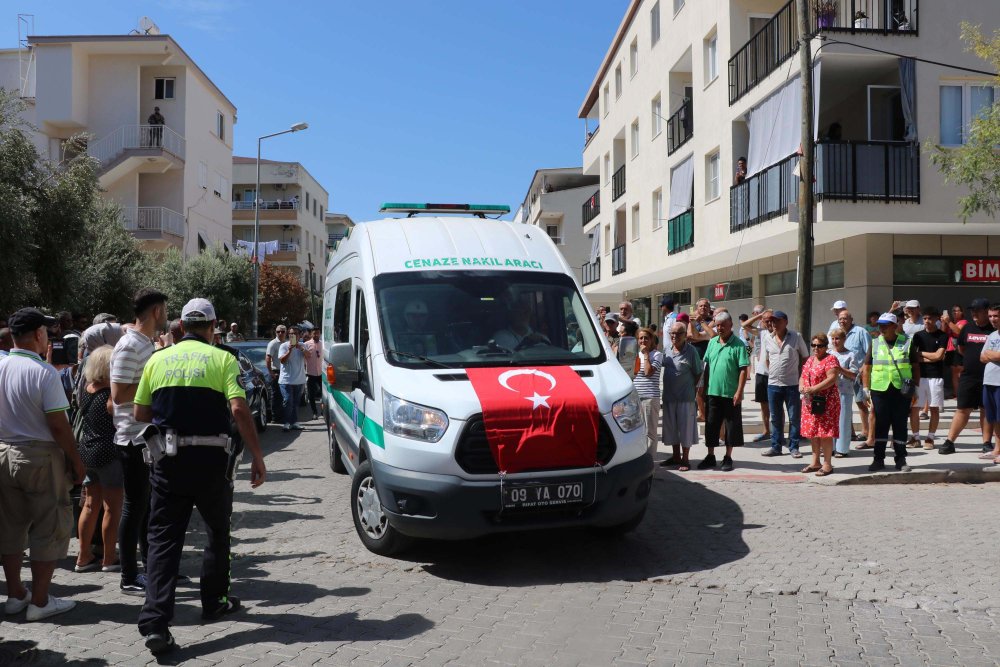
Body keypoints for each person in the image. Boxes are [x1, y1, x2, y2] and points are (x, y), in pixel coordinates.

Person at [134, 298, 266, 655]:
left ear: (181, 326)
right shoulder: (224, 359)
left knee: (163, 540)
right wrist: (257, 455)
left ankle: (156, 623)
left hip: (168, 463)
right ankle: (215, 601)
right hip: (212, 465)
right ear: (212, 327)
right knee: (217, 532)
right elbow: (239, 408)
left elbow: (140, 411)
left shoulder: (157, 359)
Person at [0, 308, 86, 621]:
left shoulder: (0, 365)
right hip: (39, 456)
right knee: (48, 527)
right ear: (37, 335)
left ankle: (14, 594)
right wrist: (76, 461)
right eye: (46, 332)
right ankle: (39, 600)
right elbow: (59, 426)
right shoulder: (43, 373)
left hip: (5, 452)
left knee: (10, 527)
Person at [111, 288, 168, 596]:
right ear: (157, 311)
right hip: (133, 440)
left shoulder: (145, 343)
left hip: (147, 437)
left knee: (147, 508)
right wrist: (154, 386)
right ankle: (129, 577)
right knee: (134, 508)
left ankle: (152, 569)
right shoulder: (129, 345)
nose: (168, 316)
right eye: (166, 310)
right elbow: (118, 395)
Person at [73, 345, 124, 574]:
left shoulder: (87, 388)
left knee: (90, 504)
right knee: (112, 507)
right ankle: (109, 557)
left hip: (87, 450)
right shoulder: (110, 392)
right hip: (108, 452)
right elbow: (116, 412)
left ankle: (83, 556)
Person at [862, 313, 921, 472]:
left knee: (900, 424)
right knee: (881, 424)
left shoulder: (907, 343)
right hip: (880, 389)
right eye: (880, 324)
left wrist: (916, 389)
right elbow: (866, 367)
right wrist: (866, 389)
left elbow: (915, 367)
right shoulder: (875, 343)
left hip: (901, 391)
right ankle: (878, 459)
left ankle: (901, 459)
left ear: (895, 327)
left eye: (886, 325)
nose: (882, 327)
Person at [939, 298, 995, 455]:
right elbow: (962, 348)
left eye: (977, 310)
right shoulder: (967, 328)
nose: (974, 313)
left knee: (986, 410)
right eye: (972, 310)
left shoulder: (994, 330)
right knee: (962, 409)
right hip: (969, 376)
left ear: (986, 312)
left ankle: (986, 443)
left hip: (990, 377)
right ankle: (949, 442)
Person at [698, 312, 748, 472]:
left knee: (731, 426)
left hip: (730, 394)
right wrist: (704, 388)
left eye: (723, 325)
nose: (720, 328)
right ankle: (710, 456)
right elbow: (707, 366)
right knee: (711, 425)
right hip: (713, 392)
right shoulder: (712, 342)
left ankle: (728, 457)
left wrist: (739, 392)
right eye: (717, 325)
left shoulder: (739, 345)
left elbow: (743, 370)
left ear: (730, 325)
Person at [761, 311, 810, 458]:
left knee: (794, 417)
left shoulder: (796, 336)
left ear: (786, 322)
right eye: (772, 321)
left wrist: (801, 376)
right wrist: (774, 373)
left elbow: (806, 357)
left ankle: (794, 447)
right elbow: (766, 359)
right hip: (773, 385)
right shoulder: (767, 338)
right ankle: (776, 446)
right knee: (775, 418)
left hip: (792, 385)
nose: (774, 324)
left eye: (777, 321)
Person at [660, 322, 703, 471]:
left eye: (678, 333)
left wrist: (690, 387)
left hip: (686, 398)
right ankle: (675, 456)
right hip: (669, 397)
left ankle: (685, 459)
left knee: (685, 429)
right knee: (671, 429)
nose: (674, 336)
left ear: (685, 335)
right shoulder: (666, 349)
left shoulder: (691, 351)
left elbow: (698, 373)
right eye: (672, 333)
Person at [799, 333, 841, 476]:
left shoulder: (831, 359)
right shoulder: (810, 360)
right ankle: (815, 462)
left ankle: (827, 464)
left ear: (825, 346)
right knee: (813, 432)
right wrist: (802, 387)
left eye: (820, 346)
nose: (816, 348)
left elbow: (832, 378)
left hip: (827, 401)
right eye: (814, 345)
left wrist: (814, 389)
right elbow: (803, 377)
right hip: (810, 401)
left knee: (825, 433)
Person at [910, 307, 948, 449]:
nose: (927, 321)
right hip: (919, 377)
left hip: (936, 377)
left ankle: (930, 438)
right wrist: (931, 357)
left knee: (934, 409)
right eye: (925, 318)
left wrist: (923, 354)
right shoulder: (918, 336)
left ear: (937, 319)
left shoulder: (943, 336)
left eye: (930, 318)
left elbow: (939, 356)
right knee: (915, 408)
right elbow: (914, 357)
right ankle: (915, 438)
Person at [837, 311, 871, 442]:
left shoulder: (860, 332)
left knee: (860, 402)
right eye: (840, 319)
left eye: (845, 318)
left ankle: (866, 431)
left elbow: (869, 351)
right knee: (843, 404)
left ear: (851, 319)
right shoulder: (837, 333)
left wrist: (864, 369)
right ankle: (850, 432)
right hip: (841, 377)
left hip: (858, 374)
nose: (842, 321)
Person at [742, 307, 772, 443]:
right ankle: (766, 431)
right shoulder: (762, 332)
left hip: (776, 375)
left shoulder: (782, 333)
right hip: (761, 373)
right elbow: (744, 325)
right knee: (764, 405)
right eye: (765, 320)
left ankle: (778, 434)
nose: (768, 323)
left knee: (776, 406)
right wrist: (760, 316)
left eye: (770, 320)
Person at [830, 328, 861, 458]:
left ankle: (842, 449)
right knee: (830, 420)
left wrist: (840, 369)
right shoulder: (828, 354)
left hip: (845, 391)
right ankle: (829, 447)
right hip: (830, 392)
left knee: (843, 420)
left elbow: (854, 374)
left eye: (837, 338)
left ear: (844, 339)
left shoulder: (850, 355)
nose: (835, 341)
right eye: (833, 338)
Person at [633, 328, 662, 457]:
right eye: (641, 338)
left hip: (650, 398)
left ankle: (649, 461)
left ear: (651, 340)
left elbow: (648, 372)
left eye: (646, 338)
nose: (643, 340)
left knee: (650, 432)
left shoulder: (656, 355)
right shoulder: (634, 355)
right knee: (635, 431)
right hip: (635, 397)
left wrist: (645, 355)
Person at [688, 298, 716, 421]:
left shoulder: (713, 321)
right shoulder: (693, 321)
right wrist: (698, 336)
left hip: (707, 358)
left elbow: (709, 335)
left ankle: (704, 414)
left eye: (705, 306)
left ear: (709, 308)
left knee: (704, 388)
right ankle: (702, 413)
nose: (703, 308)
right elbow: (689, 335)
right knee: (697, 387)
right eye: (700, 306)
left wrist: (696, 337)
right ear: (697, 308)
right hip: (694, 357)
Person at [979, 304, 1000, 464]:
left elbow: (988, 355)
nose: (993, 319)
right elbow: (982, 357)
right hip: (989, 381)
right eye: (991, 316)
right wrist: (995, 355)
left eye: (996, 316)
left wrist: (990, 354)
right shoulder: (992, 335)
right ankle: (997, 449)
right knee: (993, 418)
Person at [278, 325, 307, 431]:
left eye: (295, 334)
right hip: (286, 380)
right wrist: (289, 350)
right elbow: (282, 360)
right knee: (287, 400)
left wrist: (301, 348)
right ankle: (286, 422)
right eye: (290, 334)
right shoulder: (284, 346)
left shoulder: (303, 345)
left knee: (295, 402)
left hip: (299, 380)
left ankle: (294, 422)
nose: (292, 336)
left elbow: (308, 356)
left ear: (299, 335)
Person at [941, 305, 966, 400]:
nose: (954, 312)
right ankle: (957, 394)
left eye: (957, 310)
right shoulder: (951, 322)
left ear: (962, 312)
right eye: (953, 311)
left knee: (959, 372)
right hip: (950, 349)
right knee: (954, 373)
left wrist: (948, 322)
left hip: (959, 350)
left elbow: (959, 332)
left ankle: (961, 394)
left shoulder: (964, 322)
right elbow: (943, 333)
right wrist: (944, 323)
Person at [265, 325, 287, 423]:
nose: (280, 333)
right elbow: (268, 359)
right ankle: (275, 417)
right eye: (278, 332)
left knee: (285, 395)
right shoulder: (273, 344)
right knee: (276, 395)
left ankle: (283, 416)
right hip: (277, 372)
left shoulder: (287, 343)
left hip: (286, 372)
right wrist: (271, 372)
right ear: (275, 332)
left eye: (282, 332)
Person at [303, 327, 324, 420]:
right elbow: (303, 359)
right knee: (311, 395)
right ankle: (314, 412)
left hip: (321, 373)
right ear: (311, 334)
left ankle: (323, 411)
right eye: (314, 333)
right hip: (310, 373)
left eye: (318, 333)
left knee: (324, 394)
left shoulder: (323, 344)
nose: (316, 335)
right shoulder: (306, 344)